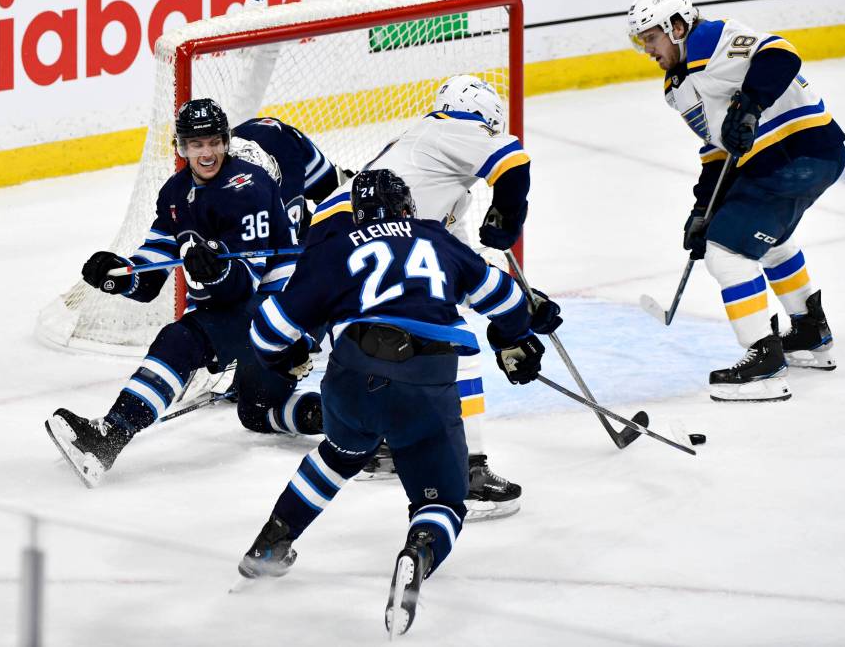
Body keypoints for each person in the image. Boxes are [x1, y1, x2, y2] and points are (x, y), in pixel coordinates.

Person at [237, 169, 551, 636]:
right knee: (443, 500)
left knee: (340, 453)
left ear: (356, 213)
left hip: (353, 377)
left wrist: (289, 358)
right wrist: (514, 340)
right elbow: (506, 298)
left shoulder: (334, 247)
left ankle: (270, 543)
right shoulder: (434, 237)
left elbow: (266, 332)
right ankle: (418, 551)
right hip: (426, 382)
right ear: (408, 207)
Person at [303, 74, 557, 520]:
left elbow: (460, 265)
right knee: (453, 343)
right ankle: (468, 471)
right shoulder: (450, 127)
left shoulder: (433, 176)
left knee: (380, 338)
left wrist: (523, 299)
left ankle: (385, 445)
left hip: (340, 237)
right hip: (354, 234)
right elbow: (515, 163)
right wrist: (509, 217)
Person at [44, 98, 322, 488]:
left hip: (280, 312)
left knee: (182, 340)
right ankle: (339, 417)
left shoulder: (249, 187)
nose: (206, 153)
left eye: (213, 142)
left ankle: (109, 437)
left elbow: (243, 286)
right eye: (196, 144)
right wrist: (120, 275)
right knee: (257, 410)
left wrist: (218, 271)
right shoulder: (174, 194)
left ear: (225, 142)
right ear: (181, 147)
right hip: (251, 315)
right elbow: (151, 270)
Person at [628, 0, 845, 402]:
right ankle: (809, 333)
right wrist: (702, 211)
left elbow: (781, 55)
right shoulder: (676, 87)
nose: (647, 50)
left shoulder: (711, 38)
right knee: (770, 240)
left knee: (726, 251)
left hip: (798, 152)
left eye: (651, 38)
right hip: (789, 162)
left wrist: (748, 106)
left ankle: (764, 362)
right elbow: (718, 151)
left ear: (676, 27)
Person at [232, 116, 347, 244]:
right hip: (263, 138)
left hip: (293, 151)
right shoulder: (217, 163)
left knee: (338, 198)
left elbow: (287, 241)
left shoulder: (289, 167)